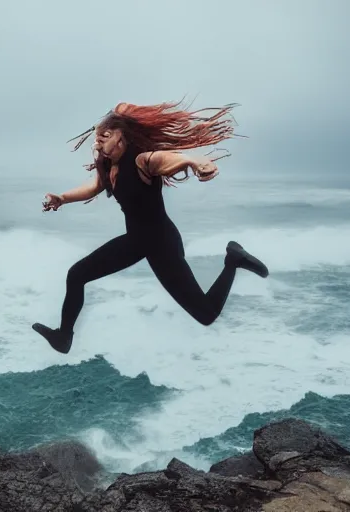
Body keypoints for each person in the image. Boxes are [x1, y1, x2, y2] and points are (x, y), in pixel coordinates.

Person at [32, 101, 269, 354]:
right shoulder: (108, 165)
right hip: (135, 241)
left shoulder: (142, 160)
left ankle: (233, 260)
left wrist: (195, 163)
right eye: (97, 138)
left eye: (105, 136)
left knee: (206, 314)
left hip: (161, 242)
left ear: (121, 136)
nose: (98, 143)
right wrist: (63, 198)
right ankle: (64, 337)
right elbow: (95, 186)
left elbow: (173, 159)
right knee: (76, 275)